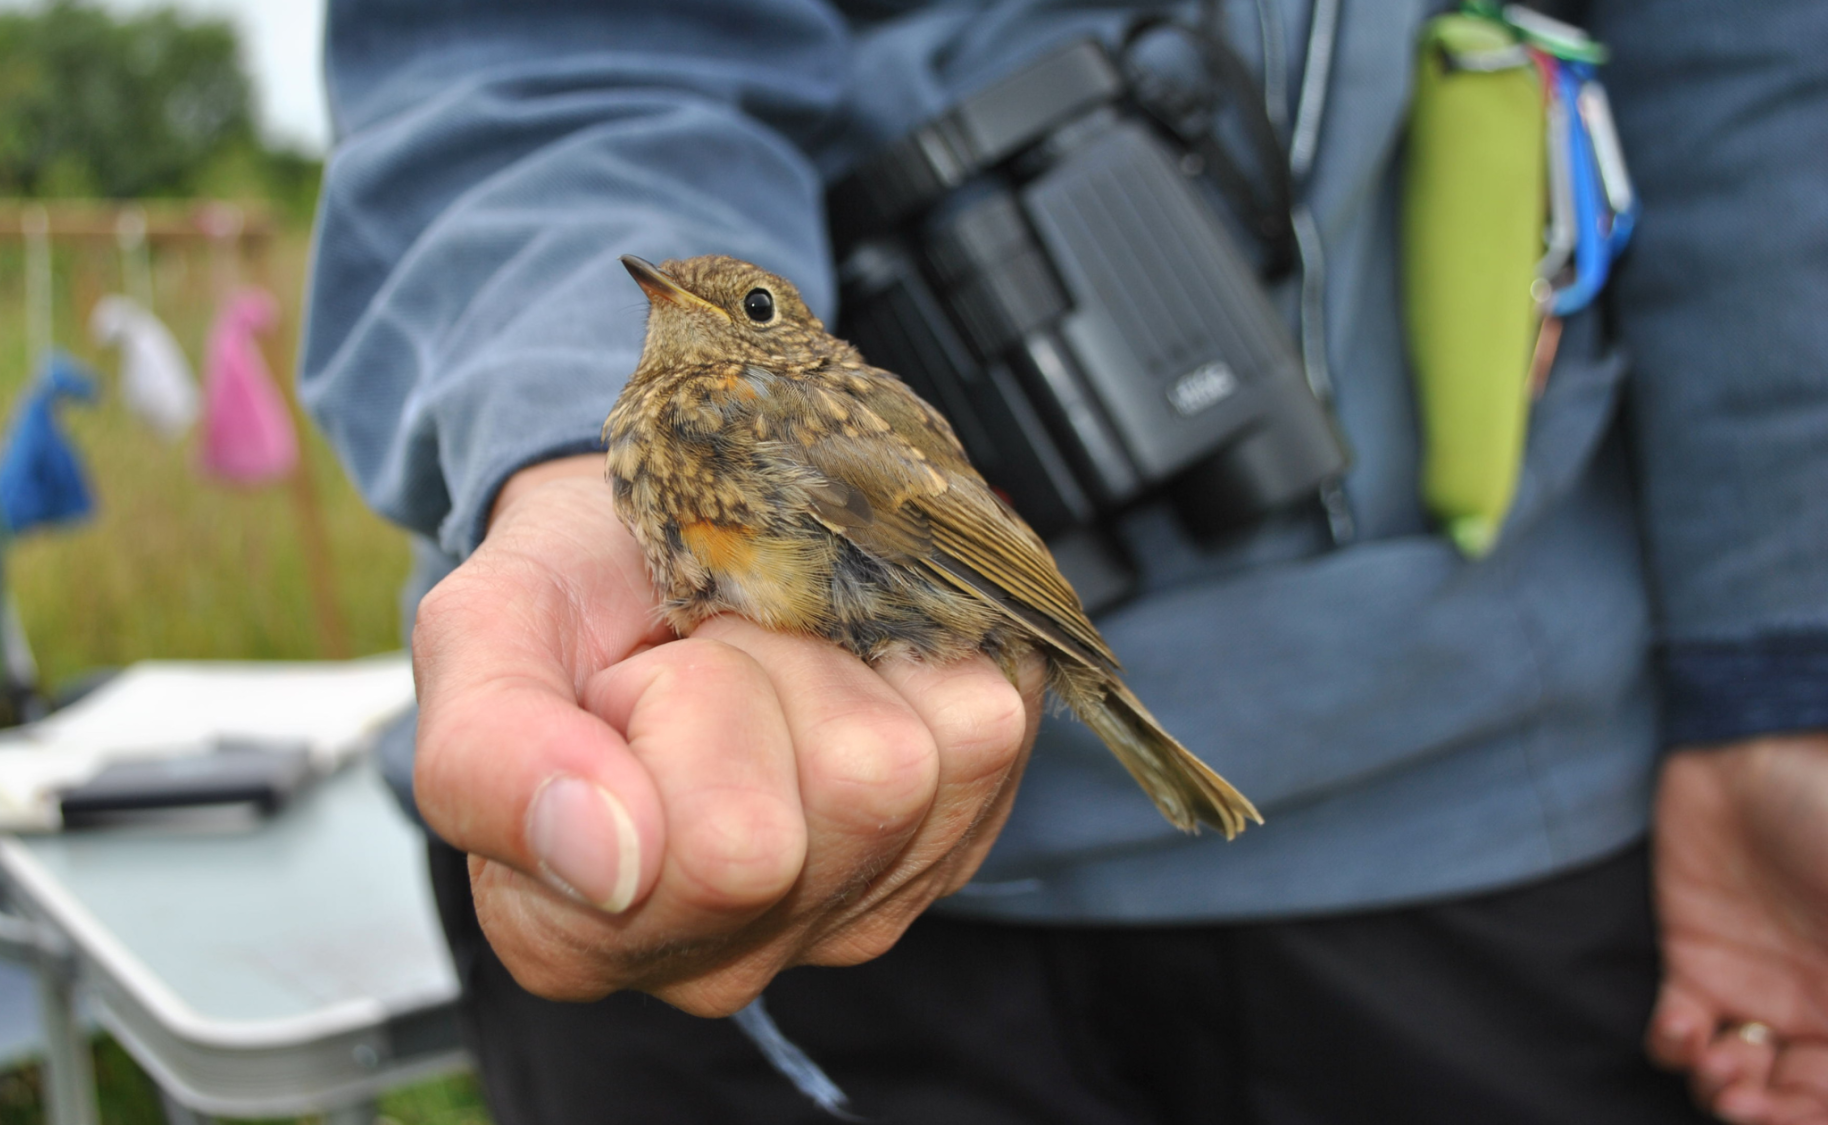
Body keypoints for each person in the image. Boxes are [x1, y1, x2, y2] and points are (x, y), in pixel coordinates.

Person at [300, 1, 1828, 1121]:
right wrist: (562, 447)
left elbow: (1756, 65)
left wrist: (1779, 667)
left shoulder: (814, 431)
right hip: (750, 874)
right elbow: (549, 60)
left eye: (743, 316)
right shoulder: (691, 419)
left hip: (1491, 832)